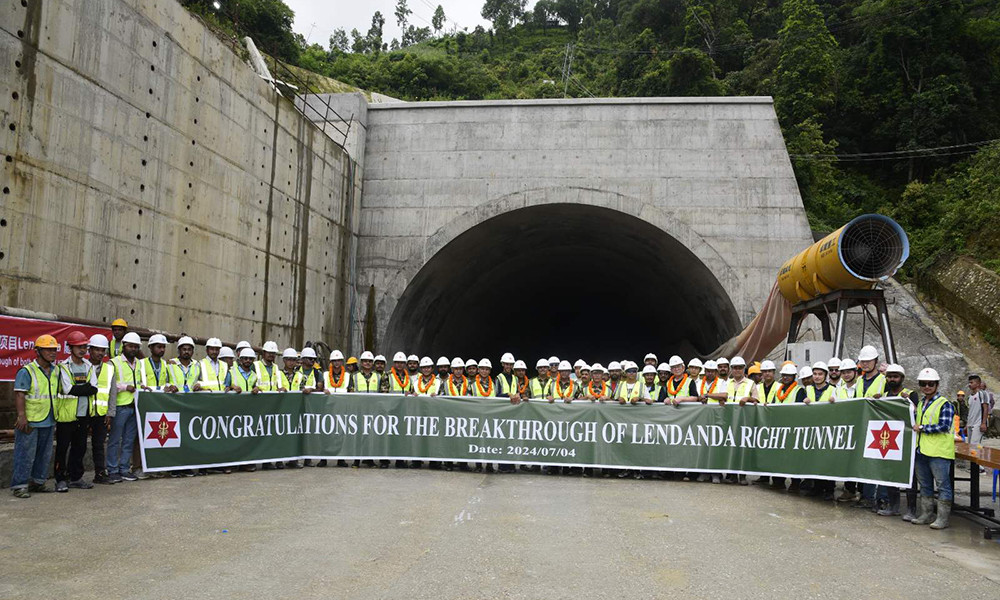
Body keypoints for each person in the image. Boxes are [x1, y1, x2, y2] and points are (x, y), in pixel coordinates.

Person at [10, 335, 62, 497]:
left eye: (54, 350)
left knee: (44, 454)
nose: (53, 353)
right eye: (48, 349)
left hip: (49, 419)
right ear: (37, 351)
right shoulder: (27, 371)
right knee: (25, 454)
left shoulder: (55, 371)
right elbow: (20, 394)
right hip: (31, 420)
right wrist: (21, 416)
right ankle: (19, 485)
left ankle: (38, 483)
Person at [52, 332, 98, 493]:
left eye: (85, 346)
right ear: (70, 348)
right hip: (66, 414)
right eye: (79, 347)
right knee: (63, 448)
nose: (83, 350)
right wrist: (83, 389)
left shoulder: (88, 366)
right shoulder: (63, 367)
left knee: (80, 447)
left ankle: (75, 478)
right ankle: (60, 479)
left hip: (84, 414)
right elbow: (67, 388)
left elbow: (94, 388)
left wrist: (80, 389)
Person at [911, 367, 955, 529]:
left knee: (943, 485)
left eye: (930, 384)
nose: (927, 387)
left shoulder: (945, 404)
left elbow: (944, 426)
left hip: (939, 453)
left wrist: (922, 428)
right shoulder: (922, 403)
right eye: (923, 383)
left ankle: (942, 518)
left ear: (937, 385)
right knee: (925, 485)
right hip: (922, 451)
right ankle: (927, 514)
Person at [106, 332, 142, 483]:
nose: (133, 349)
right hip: (120, 407)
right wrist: (125, 387)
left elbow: (140, 381)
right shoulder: (113, 363)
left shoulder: (140, 363)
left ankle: (124, 468)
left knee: (128, 440)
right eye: (130, 346)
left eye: (136, 347)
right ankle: (113, 470)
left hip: (135, 407)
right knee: (115, 440)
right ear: (124, 346)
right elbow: (108, 384)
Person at [86, 335, 114, 484]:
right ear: (89, 350)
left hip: (101, 414)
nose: (99, 353)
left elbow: (112, 393)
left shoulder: (109, 369)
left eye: (102, 350)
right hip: (84, 413)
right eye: (96, 349)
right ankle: (73, 474)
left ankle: (100, 473)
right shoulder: (82, 366)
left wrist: (110, 413)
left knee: (98, 445)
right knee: (79, 445)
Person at [966, 374, 992, 454]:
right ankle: (973, 465)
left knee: (975, 445)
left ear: (977, 383)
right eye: (969, 383)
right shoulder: (970, 397)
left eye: (971, 382)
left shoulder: (982, 394)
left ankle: (978, 465)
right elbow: (971, 411)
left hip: (978, 424)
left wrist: (983, 423)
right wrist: (967, 424)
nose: (969, 384)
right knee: (970, 446)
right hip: (970, 424)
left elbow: (985, 408)